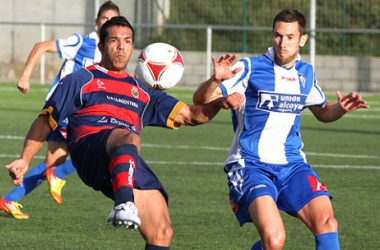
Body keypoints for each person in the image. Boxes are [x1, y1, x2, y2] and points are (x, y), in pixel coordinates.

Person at [6, 16, 244, 249]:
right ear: (101, 46)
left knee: (162, 232)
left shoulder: (144, 93)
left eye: (128, 41)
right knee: (128, 136)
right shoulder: (81, 79)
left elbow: (192, 115)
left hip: (124, 156)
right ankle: (124, 204)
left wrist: (219, 99)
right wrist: (25, 158)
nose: (121, 47)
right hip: (90, 151)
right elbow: (47, 120)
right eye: (114, 41)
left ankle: (125, 201)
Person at [193, 8, 369, 250]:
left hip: (293, 164)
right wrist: (215, 81)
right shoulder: (250, 67)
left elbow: (323, 112)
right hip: (251, 164)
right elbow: (200, 99)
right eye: (277, 36)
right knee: (274, 240)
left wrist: (341, 108)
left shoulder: (306, 73)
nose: (282, 43)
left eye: (289, 37)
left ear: (302, 39)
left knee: (327, 223)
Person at [0, 1, 120, 219]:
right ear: (97, 21)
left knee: (54, 159)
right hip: (66, 109)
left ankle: (9, 199)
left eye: (112, 20)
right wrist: (26, 74)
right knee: (94, 150)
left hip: (76, 111)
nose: (107, 23)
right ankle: (58, 175)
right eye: (104, 19)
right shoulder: (83, 42)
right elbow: (41, 46)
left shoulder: (109, 52)